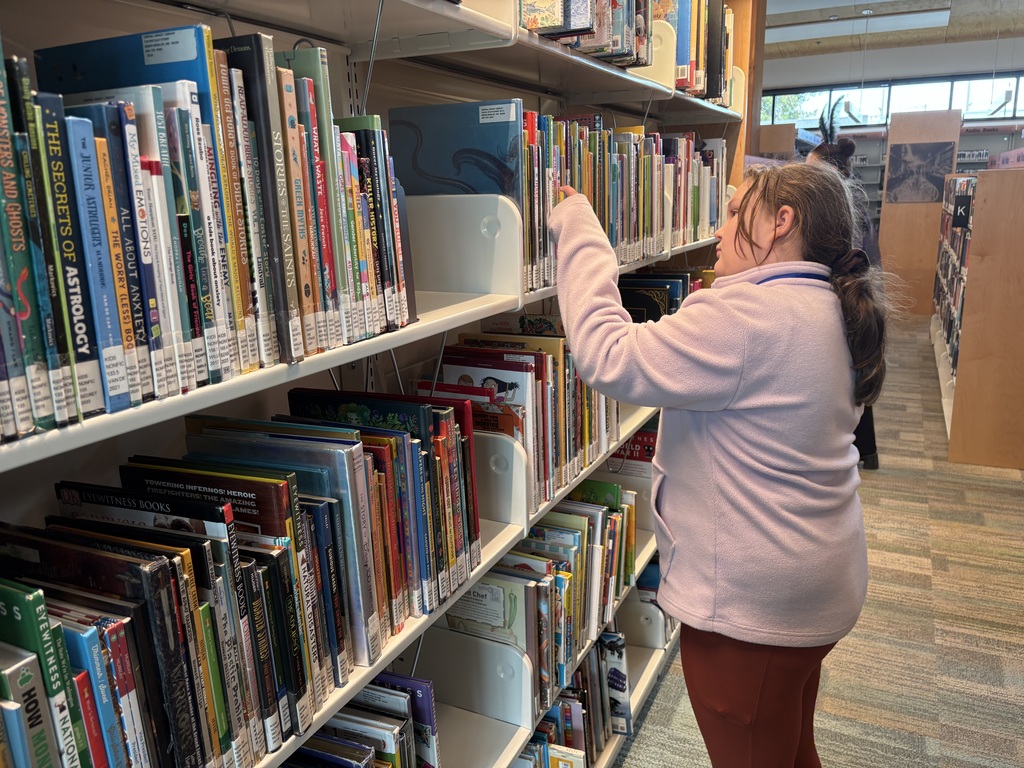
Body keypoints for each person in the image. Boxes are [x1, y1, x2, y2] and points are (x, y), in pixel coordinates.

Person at [548, 161, 889, 767]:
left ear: (782, 222)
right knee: (787, 746)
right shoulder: (829, 307)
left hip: (754, 609)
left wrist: (579, 231)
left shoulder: (745, 318)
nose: (719, 227)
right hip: (819, 584)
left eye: (736, 212)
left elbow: (607, 356)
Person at [807, 136, 881, 469]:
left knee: (848, 379)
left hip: (842, 300)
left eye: (809, 171)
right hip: (850, 301)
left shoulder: (832, 221)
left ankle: (864, 451)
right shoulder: (853, 213)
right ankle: (867, 452)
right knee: (854, 376)